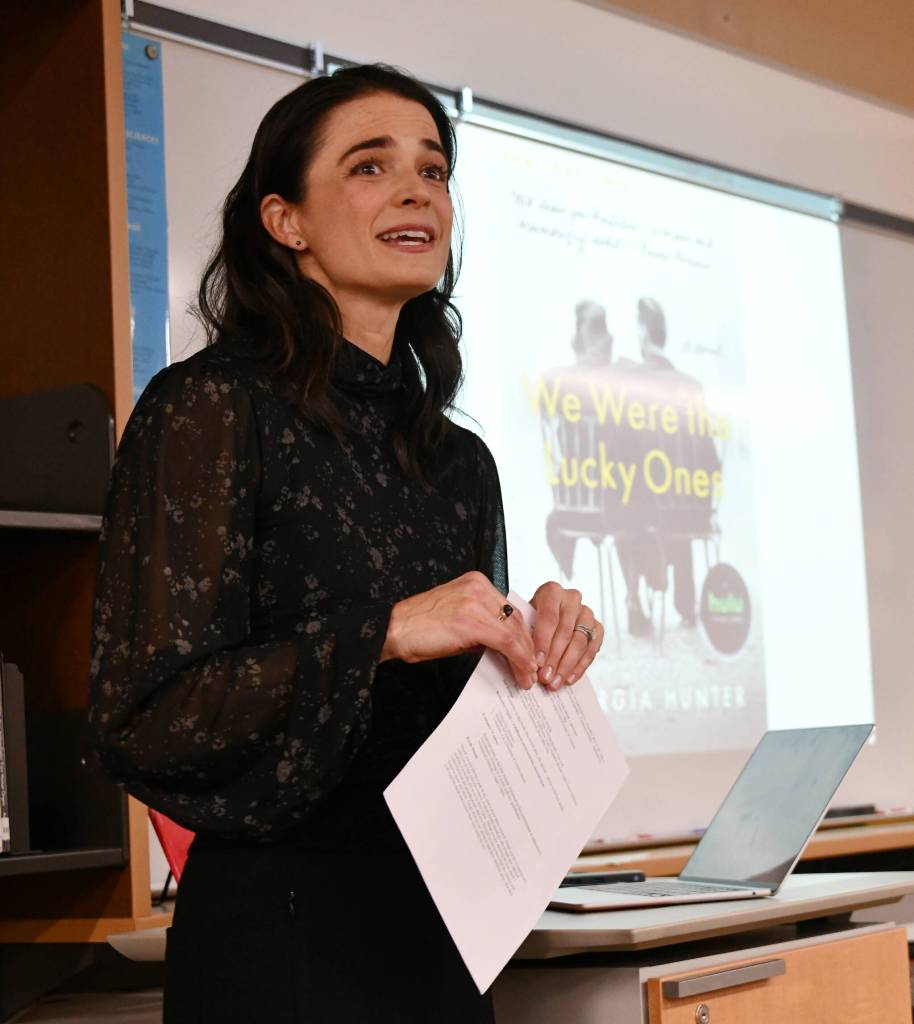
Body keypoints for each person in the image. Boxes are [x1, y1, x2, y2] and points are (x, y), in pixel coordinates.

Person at [88, 64, 604, 1023]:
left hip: (448, 929)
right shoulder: (209, 408)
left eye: (434, 170)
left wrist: (533, 648)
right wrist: (387, 631)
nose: (417, 191)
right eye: (372, 167)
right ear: (285, 222)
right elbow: (144, 713)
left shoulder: (459, 461)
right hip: (283, 938)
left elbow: (452, 722)